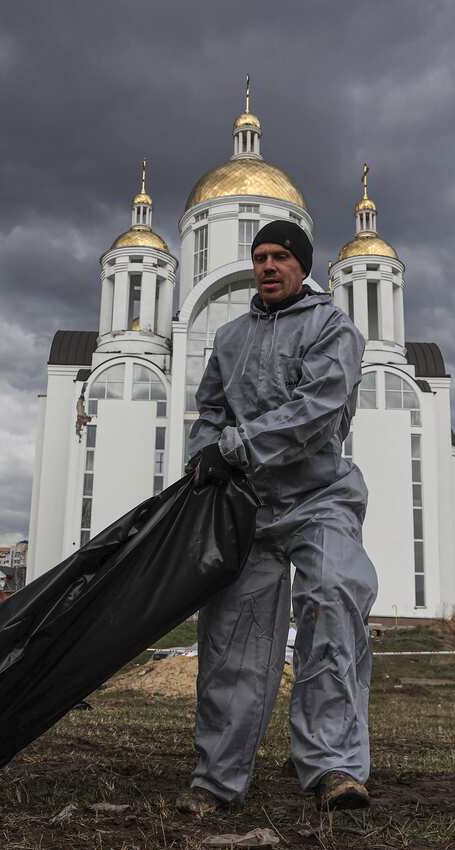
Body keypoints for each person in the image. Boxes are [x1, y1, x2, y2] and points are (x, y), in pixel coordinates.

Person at [175, 220, 377, 816]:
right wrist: (201, 458)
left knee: (334, 603)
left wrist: (233, 447)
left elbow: (317, 409)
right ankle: (217, 779)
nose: (267, 266)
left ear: (301, 266)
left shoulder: (333, 327)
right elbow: (210, 410)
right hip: (250, 509)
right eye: (260, 256)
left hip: (320, 499)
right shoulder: (231, 336)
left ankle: (334, 768)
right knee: (232, 640)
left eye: (280, 257)